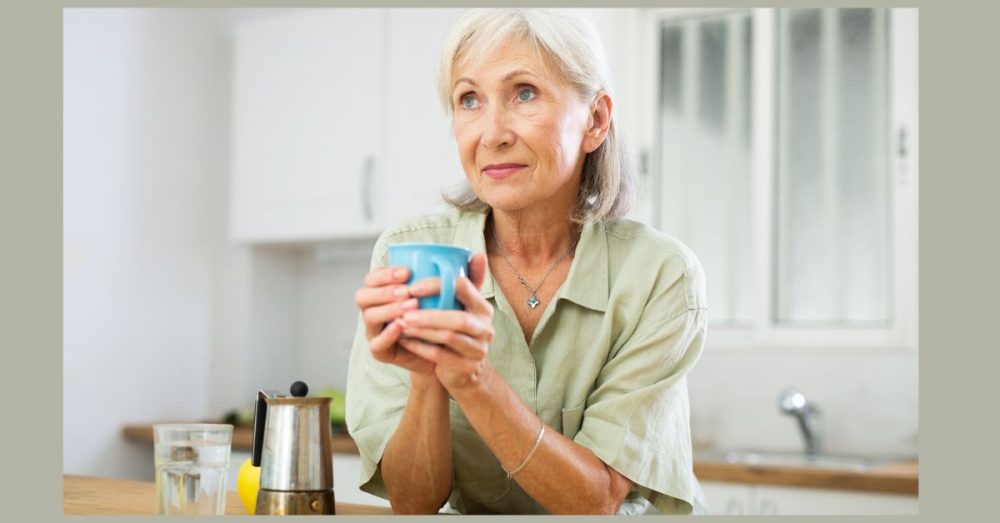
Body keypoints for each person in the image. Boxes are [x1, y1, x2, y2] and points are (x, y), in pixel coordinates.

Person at [346, 8, 708, 515]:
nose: (491, 133)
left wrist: (472, 380)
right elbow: (414, 502)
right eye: (469, 99)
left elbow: (596, 501)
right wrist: (427, 375)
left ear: (595, 120)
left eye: (524, 93)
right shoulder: (410, 256)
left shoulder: (659, 275)